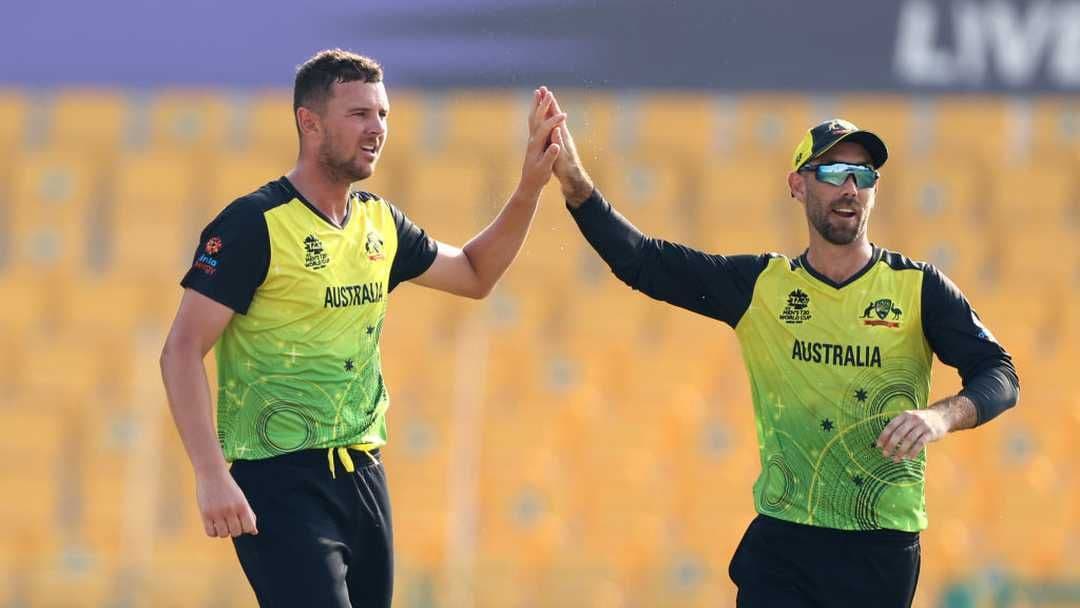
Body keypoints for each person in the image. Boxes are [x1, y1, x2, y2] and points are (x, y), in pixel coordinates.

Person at [543, 94, 1019, 608]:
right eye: (834, 171)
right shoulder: (762, 287)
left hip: (879, 545)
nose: (851, 188)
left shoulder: (918, 288)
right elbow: (645, 263)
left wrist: (941, 417)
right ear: (798, 184)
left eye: (864, 176)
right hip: (784, 541)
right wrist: (575, 184)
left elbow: (1000, 374)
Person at [159, 49, 564, 607]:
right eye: (359, 115)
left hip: (364, 474)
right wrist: (210, 475)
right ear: (310, 121)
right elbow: (181, 349)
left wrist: (528, 189)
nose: (377, 130)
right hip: (279, 481)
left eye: (384, 115)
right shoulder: (253, 225)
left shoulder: (380, 222)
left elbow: (474, 274)